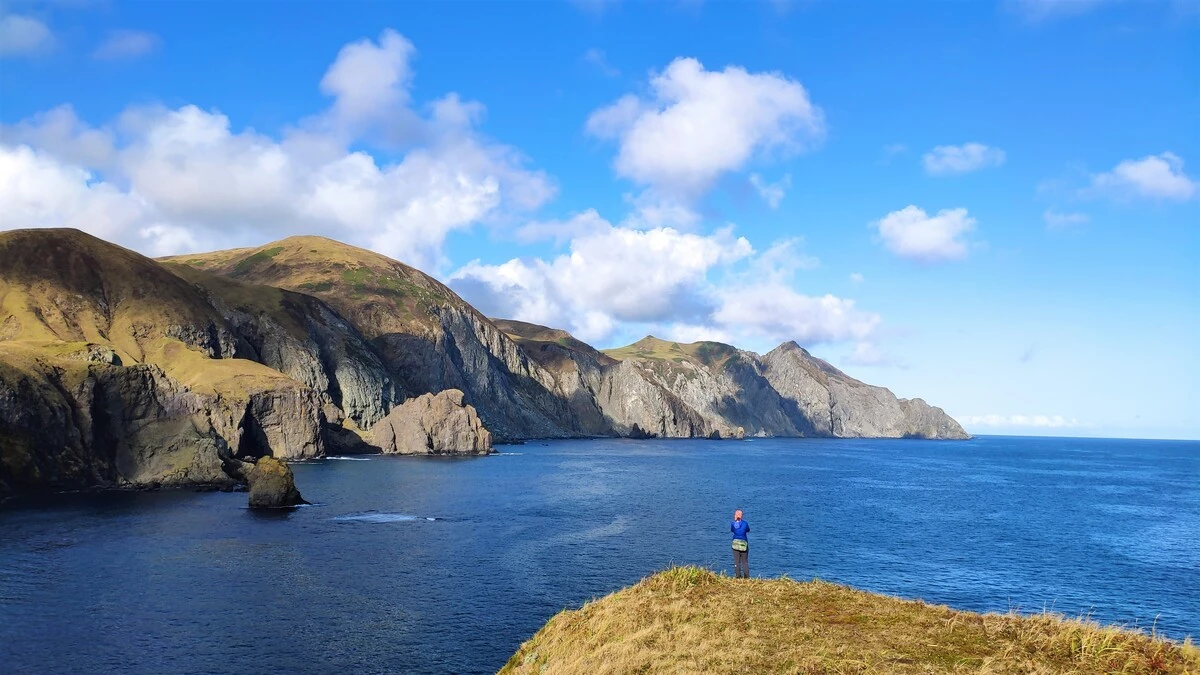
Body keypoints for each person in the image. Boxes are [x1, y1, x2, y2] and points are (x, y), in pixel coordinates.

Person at [730, 509, 750, 578]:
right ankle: (746, 577)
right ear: (741, 516)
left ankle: (738, 576)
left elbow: (732, 530)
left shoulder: (733, 523)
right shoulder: (745, 523)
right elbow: (748, 530)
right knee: (744, 562)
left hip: (735, 543)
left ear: (736, 516)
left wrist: (735, 520)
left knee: (737, 561)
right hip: (743, 543)